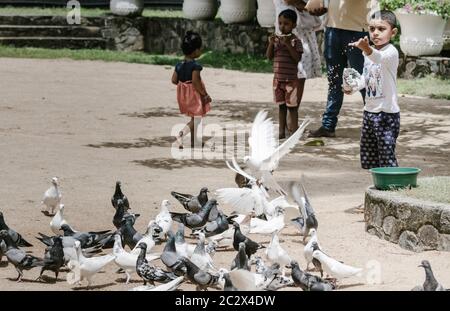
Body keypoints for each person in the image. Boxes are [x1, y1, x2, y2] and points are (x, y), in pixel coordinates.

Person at [307, 0, 371, 137]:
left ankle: (376, 124)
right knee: (334, 80)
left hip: (357, 31)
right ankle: (328, 126)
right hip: (333, 29)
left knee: (363, 80)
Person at [345, 10, 400, 169]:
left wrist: (365, 48)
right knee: (370, 156)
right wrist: (353, 86)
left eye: (381, 29)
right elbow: (366, 76)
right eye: (372, 29)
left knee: (386, 154)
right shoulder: (368, 53)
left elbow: (378, 58)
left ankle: (393, 186)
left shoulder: (391, 52)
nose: (375, 33)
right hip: (369, 111)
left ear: (393, 32)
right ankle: (379, 185)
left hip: (386, 114)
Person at [266, 9, 304, 139]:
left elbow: (297, 59)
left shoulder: (296, 41)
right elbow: (269, 56)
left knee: (292, 108)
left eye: (286, 24)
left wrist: (288, 45)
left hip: (291, 81)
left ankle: (294, 133)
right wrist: (271, 44)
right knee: (281, 106)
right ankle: (281, 132)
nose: (282, 26)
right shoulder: (276, 40)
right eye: (280, 23)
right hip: (277, 80)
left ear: (294, 25)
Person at [172, 31, 211, 149]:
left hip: (184, 95)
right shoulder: (195, 66)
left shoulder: (179, 65)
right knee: (197, 119)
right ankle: (181, 134)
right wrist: (204, 95)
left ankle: (195, 142)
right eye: (200, 49)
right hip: (194, 95)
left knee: (194, 117)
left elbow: (174, 80)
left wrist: (183, 85)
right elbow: (196, 82)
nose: (201, 51)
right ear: (195, 51)